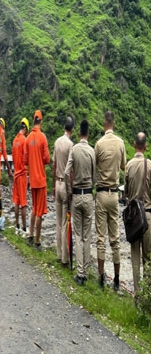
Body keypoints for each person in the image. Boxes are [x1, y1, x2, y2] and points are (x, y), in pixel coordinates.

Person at [94, 110, 127, 290]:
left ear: (104, 123)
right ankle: (116, 279)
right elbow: (123, 166)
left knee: (101, 237)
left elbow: (96, 165)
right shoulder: (120, 143)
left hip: (100, 193)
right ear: (113, 123)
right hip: (114, 194)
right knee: (115, 238)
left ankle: (101, 278)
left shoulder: (99, 144)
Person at [65, 119, 96, 285]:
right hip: (89, 195)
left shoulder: (74, 149)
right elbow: (95, 176)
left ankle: (80, 273)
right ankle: (86, 269)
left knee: (78, 235)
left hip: (76, 196)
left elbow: (65, 172)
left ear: (79, 134)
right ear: (88, 134)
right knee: (87, 235)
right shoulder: (92, 151)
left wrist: (70, 191)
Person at [125, 133, 151, 296]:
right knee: (148, 258)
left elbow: (126, 193)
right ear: (146, 146)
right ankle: (148, 294)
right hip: (148, 216)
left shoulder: (128, 166)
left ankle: (137, 294)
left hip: (134, 218)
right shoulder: (150, 165)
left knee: (135, 258)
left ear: (134, 145)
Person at [24, 109, 50, 250]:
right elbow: (47, 158)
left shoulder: (28, 139)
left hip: (32, 179)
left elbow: (25, 160)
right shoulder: (42, 137)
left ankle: (30, 235)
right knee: (39, 212)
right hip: (40, 179)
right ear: (41, 121)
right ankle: (37, 242)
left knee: (34, 208)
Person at [52, 117, 75, 267]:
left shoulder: (57, 142)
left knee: (58, 221)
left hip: (57, 182)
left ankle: (59, 254)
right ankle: (66, 259)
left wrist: (53, 186)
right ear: (72, 129)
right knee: (66, 223)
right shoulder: (70, 145)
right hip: (66, 185)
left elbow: (53, 165)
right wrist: (71, 188)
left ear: (63, 127)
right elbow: (71, 171)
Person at [12, 118, 30, 236]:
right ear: (26, 128)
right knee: (23, 202)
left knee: (17, 201)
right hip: (22, 174)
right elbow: (26, 159)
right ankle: (24, 228)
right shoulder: (24, 140)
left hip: (16, 174)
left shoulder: (15, 140)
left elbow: (13, 157)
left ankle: (17, 225)